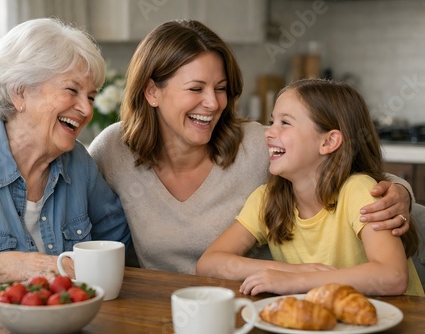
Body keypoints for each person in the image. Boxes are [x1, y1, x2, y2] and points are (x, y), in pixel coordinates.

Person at [88, 19, 413, 275]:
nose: (213, 103)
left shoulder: (258, 146)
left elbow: (354, 175)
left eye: (221, 88)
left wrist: (401, 195)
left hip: (254, 306)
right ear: (151, 92)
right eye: (196, 88)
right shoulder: (114, 150)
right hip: (160, 310)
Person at [0, 18, 130, 289]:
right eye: (72, 90)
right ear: (19, 92)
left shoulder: (79, 163)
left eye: (91, 97)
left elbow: (119, 247)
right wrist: (31, 266)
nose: (86, 109)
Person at [196, 79, 423, 296]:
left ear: (328, 142)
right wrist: (290, 272)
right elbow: (209, 263)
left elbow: (393, 276)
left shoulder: (359, 191)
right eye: (272, 121)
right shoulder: (266, 199)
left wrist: (298, 282)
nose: (269, 132)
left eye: (285, 123)